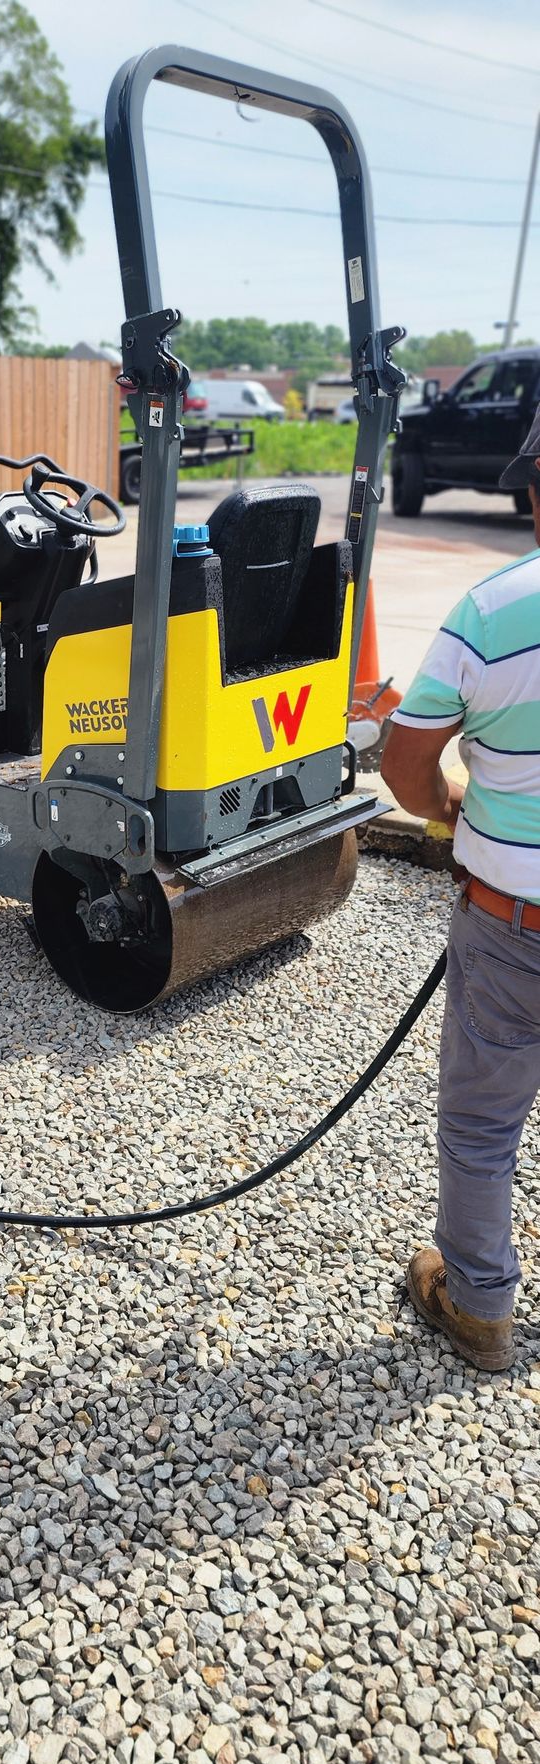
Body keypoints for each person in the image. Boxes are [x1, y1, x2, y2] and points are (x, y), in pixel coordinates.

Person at [381, 408, 540, 1372]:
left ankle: (479, 1308)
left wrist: (452, 811)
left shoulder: (490, 614)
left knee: (482, 1123)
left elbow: (406, 767)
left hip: (510, 922)